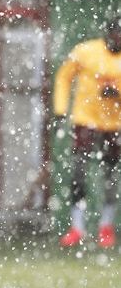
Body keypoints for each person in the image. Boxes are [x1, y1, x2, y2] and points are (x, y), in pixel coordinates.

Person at [55, 16, 121, 248]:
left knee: (110, 177)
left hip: (114, 124)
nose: (117, 39)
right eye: (115, 34)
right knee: (79, 172)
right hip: (85, 120)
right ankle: (77, 227)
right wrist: (60, 108)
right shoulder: (85, 52)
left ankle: (106, 226)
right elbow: (64, 76)